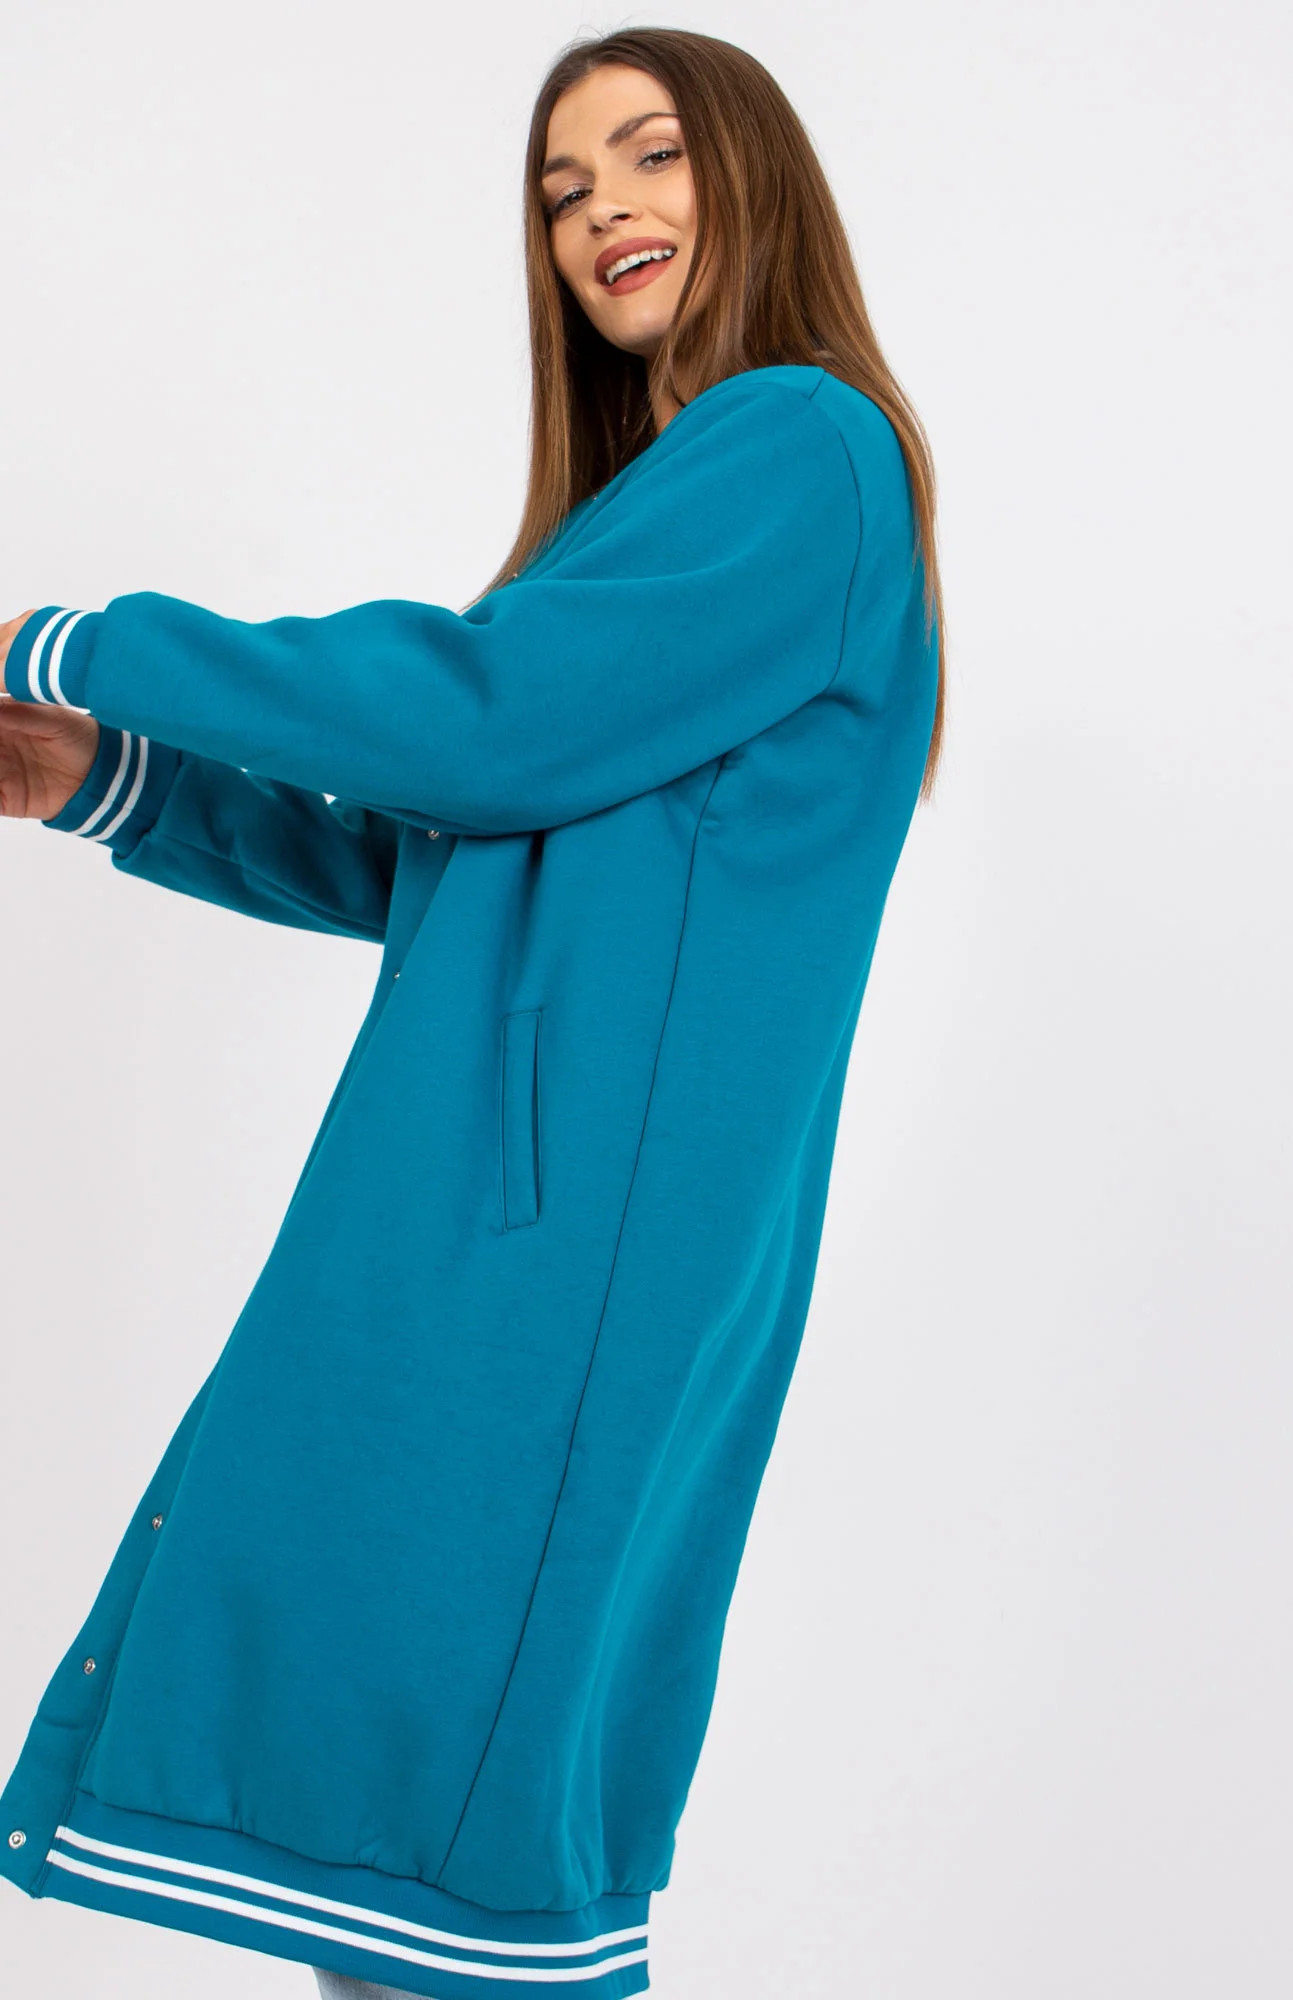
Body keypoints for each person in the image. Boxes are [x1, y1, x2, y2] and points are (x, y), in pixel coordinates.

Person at [0, 27, 946, 2000]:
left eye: (653, 155)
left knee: (439, 1845)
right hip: (512, 1232)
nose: (604, 212)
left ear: (756, 175)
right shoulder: (662, 513)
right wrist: (109, 777)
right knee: (399, 1877)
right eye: (563, 188)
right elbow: (440, 848)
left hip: (560, 1254)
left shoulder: (799, 444)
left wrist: (76, 641)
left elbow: (480, 725)